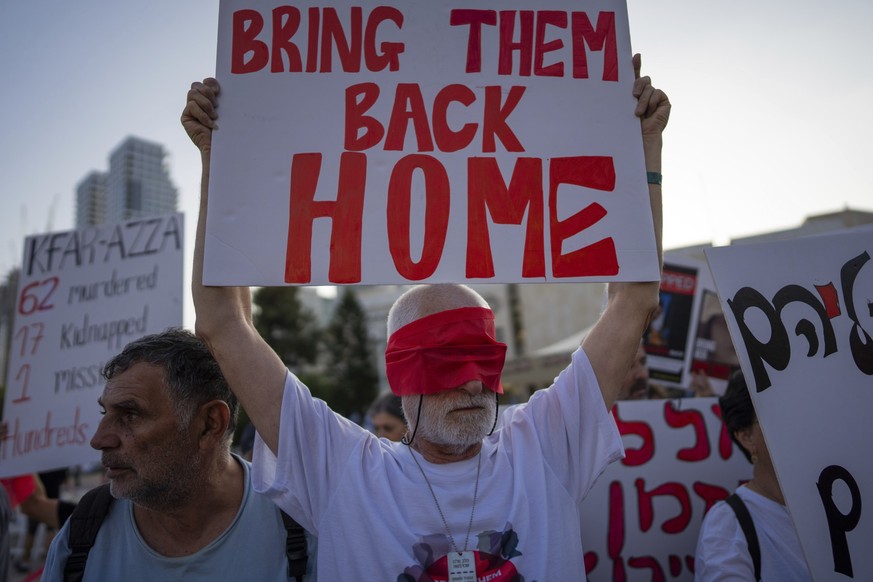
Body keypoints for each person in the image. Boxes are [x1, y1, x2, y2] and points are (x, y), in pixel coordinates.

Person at [183, 53, 669, 578]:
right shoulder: (343, 470)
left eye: (482, 359)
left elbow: (634, 301)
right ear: (401, 374)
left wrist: (642, 148)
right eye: (444, 361)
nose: (471, 385)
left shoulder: (545, 446)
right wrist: (220, 159)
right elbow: (223, 322)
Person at [41, 328, 314, 581]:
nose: (99, 440)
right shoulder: (82, 534)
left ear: (209, 424)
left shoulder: (301, 524)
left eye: (131, 415)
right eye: (106, 413)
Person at [694, 371, 811, 581]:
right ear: (746, 437)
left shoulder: (841, 500)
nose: (797, 421)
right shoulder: (728, 526)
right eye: (780, 412)